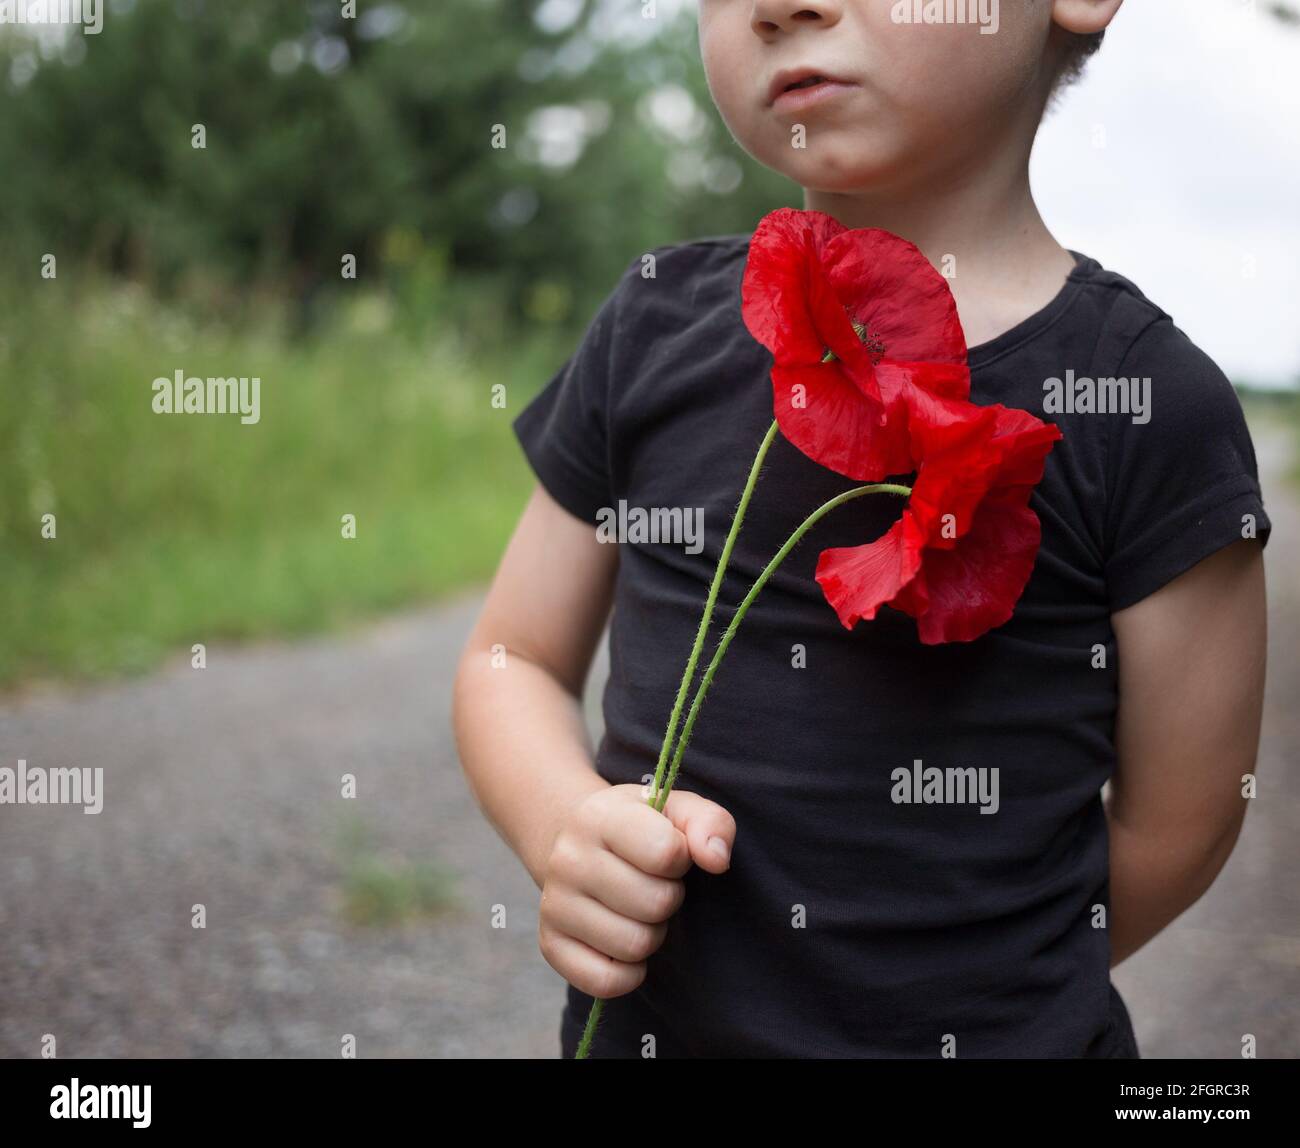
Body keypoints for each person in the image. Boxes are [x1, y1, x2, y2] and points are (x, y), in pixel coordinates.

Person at [452, 0, 1271, 1057]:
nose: (781, 6)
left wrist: (975, 974)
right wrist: (562, 821)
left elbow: (1181, 818)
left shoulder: (1144, 400)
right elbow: (509, 656)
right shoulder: (653, 325)